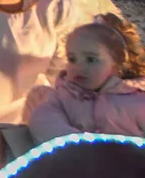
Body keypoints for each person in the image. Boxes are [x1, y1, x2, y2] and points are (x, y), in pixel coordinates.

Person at [28, 14, 145, 143]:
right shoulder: (63, 97)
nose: (78, 67)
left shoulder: (137, 102)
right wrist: (81, 145)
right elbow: (44, 122)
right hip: (76, 160)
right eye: (72, 59)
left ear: (117, 62)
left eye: (91, 60)